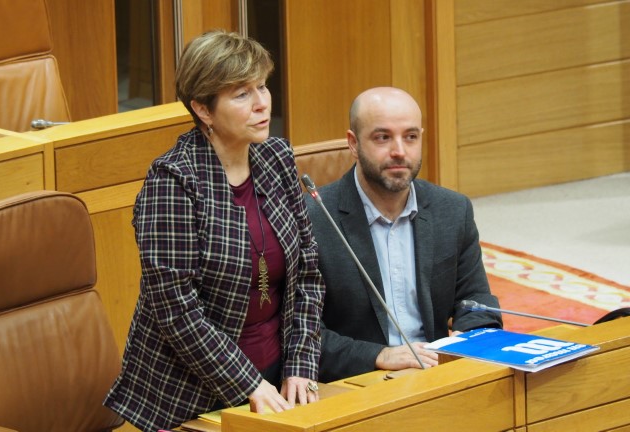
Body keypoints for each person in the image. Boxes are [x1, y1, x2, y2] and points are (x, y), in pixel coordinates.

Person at [104, 30, 325, 431]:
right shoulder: (173, 181)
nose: (261, 103)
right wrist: (249, 384)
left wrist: (300, 366)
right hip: (192, 394)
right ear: (203, 110)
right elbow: (175, 310)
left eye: (262, 86)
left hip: (278, 379)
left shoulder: (275, 157)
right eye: (241, 94)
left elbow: (308, 271)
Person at [305, 87, 502, 383]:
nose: (399, 150)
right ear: (353, 143)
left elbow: (476, 301)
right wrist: (377, 355)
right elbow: (299, 335)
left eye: (410, 137)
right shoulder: (313, 219)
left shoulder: (452, 210)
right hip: (359, 381)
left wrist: (468, 339)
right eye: (382, 137)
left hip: (434, 374)